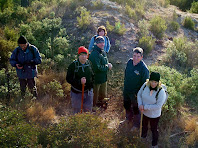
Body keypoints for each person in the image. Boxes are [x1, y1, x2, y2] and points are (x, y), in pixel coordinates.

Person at [121, 47, 149, 130]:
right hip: (127, 90)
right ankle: (128, 119)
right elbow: (126, 74)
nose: (135, 58)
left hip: (136, 94)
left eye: (138, 56)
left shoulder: (144, 69)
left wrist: (139, 95)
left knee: (136, 109)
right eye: (134, 55)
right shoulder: (129, 62)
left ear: (141, 57)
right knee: (127, 105)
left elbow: (145, 85)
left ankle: (136, 125)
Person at [137, 72, 166, 148]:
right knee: (144, 126)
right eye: (152, 81)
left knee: (154, 129)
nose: (153, 84)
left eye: (155, 82)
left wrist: (145, 107)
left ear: (158, 82)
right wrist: (140, 104)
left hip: (154, 115)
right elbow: (139, 95)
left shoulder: (161, 92)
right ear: (149, 80)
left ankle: (154, 144)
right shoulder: (145, 85)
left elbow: (158, 106)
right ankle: (143, 137)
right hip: (144, 113)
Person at [10, 35, 41, 100]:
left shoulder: (33, 49)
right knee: (22, 90)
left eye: (24, 46)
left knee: (32, 89)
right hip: (21, 74)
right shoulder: (17, 50)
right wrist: (16, 64)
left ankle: (35, 102)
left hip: (31, 73)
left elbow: (39, 60)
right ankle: (23, 102)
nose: (22, 47)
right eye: (21, 46)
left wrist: (31, 61)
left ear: (26, 43)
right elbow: (12, 60)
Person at [66, 46, 94, 114]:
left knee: (88, 111)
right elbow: (68, 79)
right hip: (76, 93)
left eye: (85, 55)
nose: (84, 57)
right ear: (78, 55)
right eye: (82, 55)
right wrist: (79, 82)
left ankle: (86, 124)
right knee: (77, 111)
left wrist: (91, 86)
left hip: (88, 92)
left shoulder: (89, 64)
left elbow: (93, 76)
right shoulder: (73, 65)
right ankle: (77, 124)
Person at [89, 36, 112, 108]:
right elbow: (97, 68)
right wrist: (107, 67)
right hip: (96, 79)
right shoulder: (94, 54)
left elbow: (106, 62)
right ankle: (92, 110)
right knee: (95, 96)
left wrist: (108, 65)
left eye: (103, 42)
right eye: (100, 43)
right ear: (96, 43)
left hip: (103, 78)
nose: (102, 44)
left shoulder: (103, 52)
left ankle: (102, 107)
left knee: (103, 95)